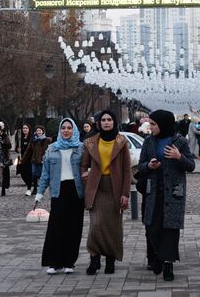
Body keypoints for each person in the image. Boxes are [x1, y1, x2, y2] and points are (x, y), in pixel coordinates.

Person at [137, 110, 195, 281]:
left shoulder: (180, 141)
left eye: (153, 124)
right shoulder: (149, 141)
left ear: (163, 124)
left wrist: (179, 157)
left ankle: (168, 263)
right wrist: (149, 165)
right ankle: (159, 256)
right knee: (152, 227)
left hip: (173, 191)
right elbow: (140, 166)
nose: (151, 127)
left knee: (170, 229)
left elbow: (191, 166)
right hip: (153, 190)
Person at [81, 110, 131, 275]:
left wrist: (125, 193)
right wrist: (85, 177)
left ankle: (110, 260)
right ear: (99, 123)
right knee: (95, 225)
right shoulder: (90, 142)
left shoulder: (121, 141)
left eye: (110, 119)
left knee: (112, 226)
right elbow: (84, 164)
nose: (106, 122)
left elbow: (126, 170)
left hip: (114, 187)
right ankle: (94, 259)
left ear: (114, 122)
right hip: (96, 188)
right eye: (103, 120)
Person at [34, 118, 85, 274]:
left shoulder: (81, 148)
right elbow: (45, 175)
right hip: (58, 190)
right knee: (56, 226)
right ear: (59, 130)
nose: (66, 130)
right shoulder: (52, 149)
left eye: (69, 128)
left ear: (74, 130)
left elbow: (88, 168)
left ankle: (69, 262)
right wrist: (39, 194)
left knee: (74, 227)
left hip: (76, 191)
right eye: (63, 128)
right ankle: (54, 262)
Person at [23, 125, 52, 195]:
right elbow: (28, 150)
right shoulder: (33, 140)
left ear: (43, 131)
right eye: (37, 130)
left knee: (43, 175)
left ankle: (45, 188)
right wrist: (23, 159)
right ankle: (35, 189)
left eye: (40, 130)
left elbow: (49, 150)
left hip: (43, 161)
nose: (38, 132)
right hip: (34, 160)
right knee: (34, 175)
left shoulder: (46, 140)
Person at [15, 123, 33, 196]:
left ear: (29, 129)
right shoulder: (20, 139)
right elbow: (17, 148)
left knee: (29, 173)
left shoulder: (31, 138)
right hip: (22, 158)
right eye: (24, 128)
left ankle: (29, 188)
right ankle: (29, 184)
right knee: (22, 174)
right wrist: (17, 149)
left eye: (26, 128)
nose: (25, 129)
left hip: (29, 159)